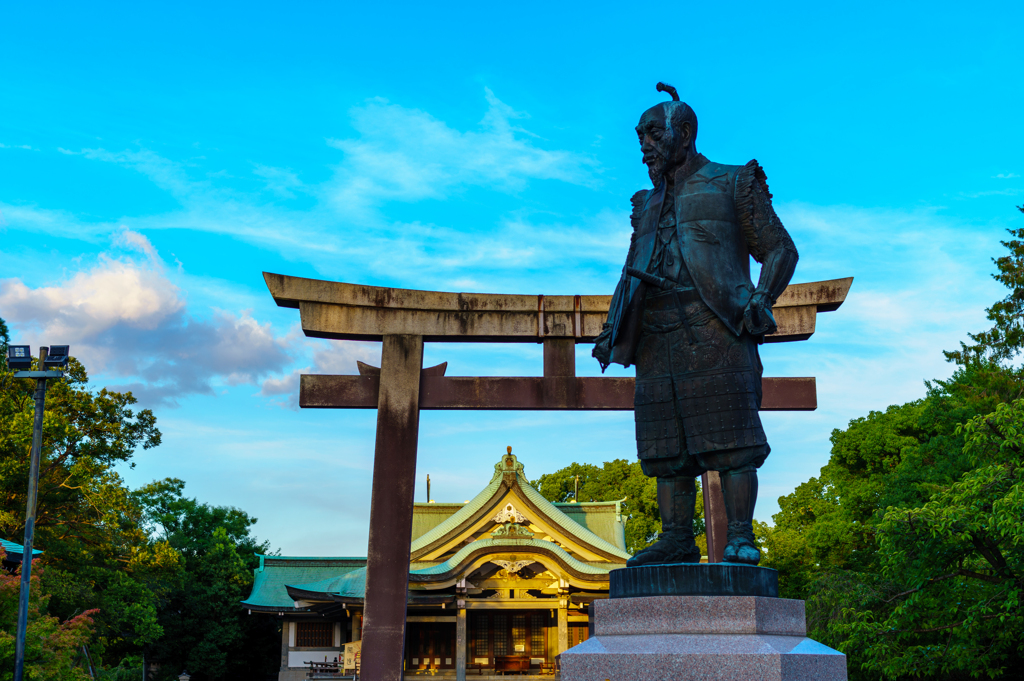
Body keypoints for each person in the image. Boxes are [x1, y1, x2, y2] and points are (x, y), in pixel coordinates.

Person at [593, 83, 798, 566]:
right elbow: (632, 268)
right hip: (655, 334)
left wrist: (762, 297)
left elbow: (779, 248)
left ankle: (741, 536)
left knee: (733, 442)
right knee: (668, 449)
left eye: (653, 135)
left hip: (717, 327)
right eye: (640, 137)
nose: (645, 146)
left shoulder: (732, 181)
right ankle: (676, 539)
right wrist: (612, 327)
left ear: (683, 133)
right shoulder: (645, 203)